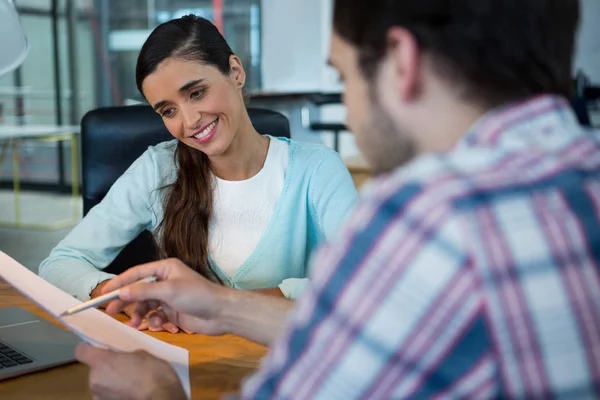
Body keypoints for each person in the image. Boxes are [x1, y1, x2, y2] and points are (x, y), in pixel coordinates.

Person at [76, 0, 600, 398]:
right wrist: (227, 306)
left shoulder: (427, 221)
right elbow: (384, 328)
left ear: (401, 62)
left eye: (343, 76)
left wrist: (163, 395)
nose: (348, 111)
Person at [38, 15, 356, 332]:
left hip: (289, 365)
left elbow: (366, 278)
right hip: (190, 367)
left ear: (235, 71)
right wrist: (133, 298)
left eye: (196, 93)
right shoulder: (157, 170)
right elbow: (59, 263)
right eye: (168, 111)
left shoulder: (317, 169)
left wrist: (221, 308)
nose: (189, 122)